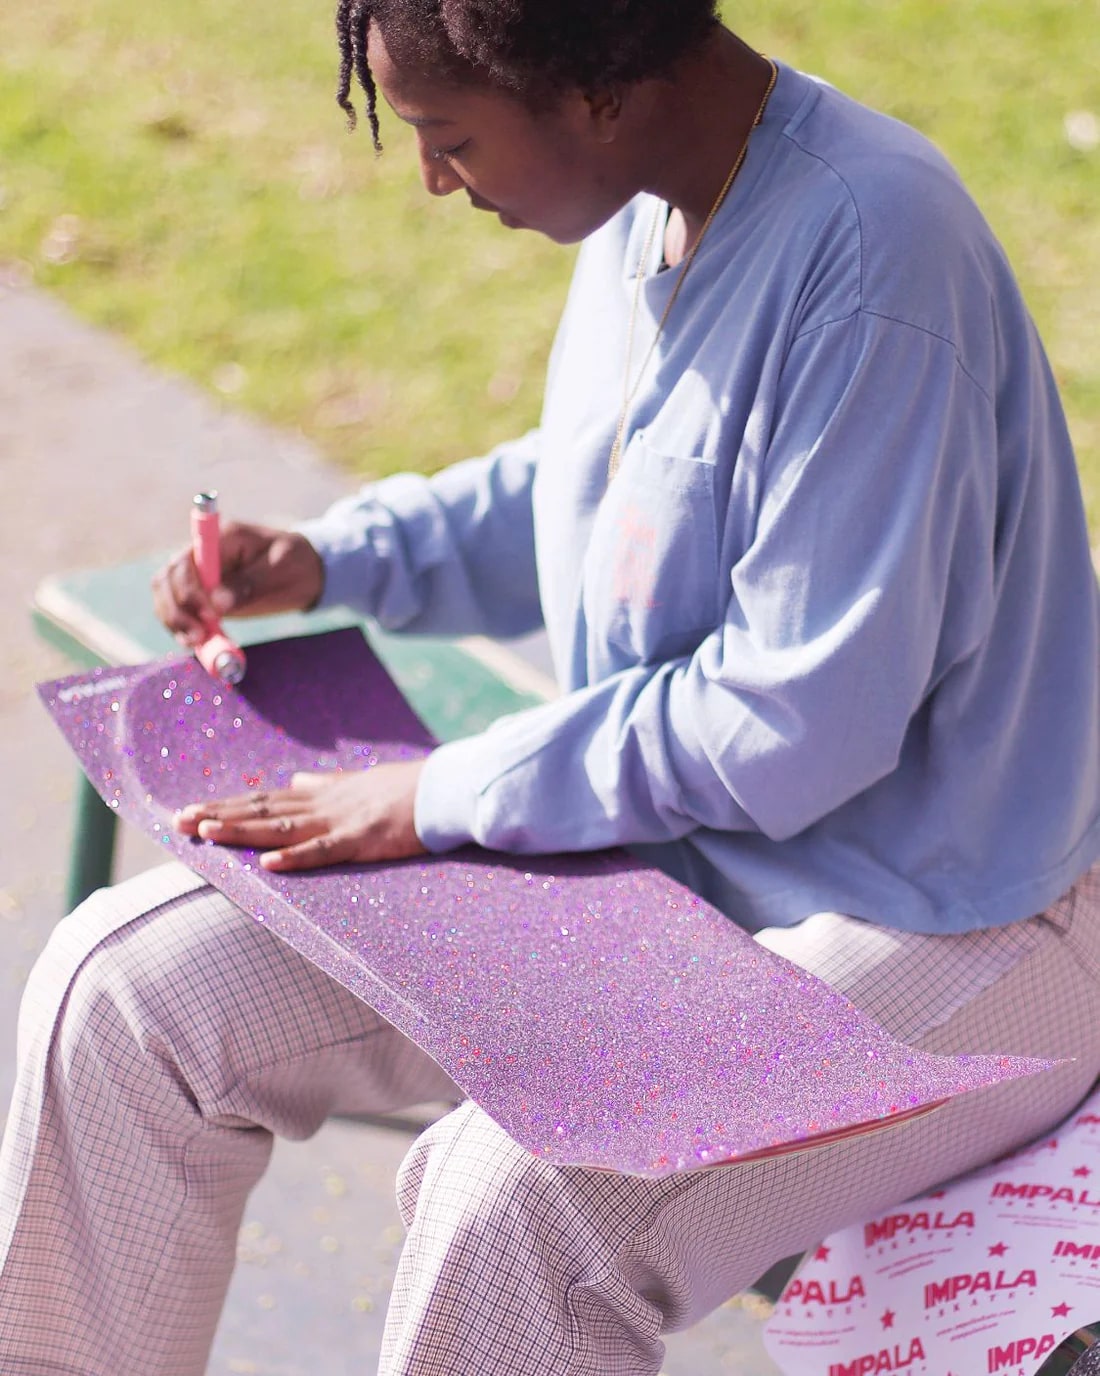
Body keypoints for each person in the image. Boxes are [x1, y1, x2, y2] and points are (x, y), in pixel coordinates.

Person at [2, 0, 1099, 1371]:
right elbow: (597, 487)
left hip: (958, 922)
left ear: (594, 95)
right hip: (684, 858)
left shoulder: (880, 257)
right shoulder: (653, 195)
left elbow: (791, 724)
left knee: (512, 1208)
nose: (431, 180)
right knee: (122, 993)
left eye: (448, 137)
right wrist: (340, 562)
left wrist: (441, 795)